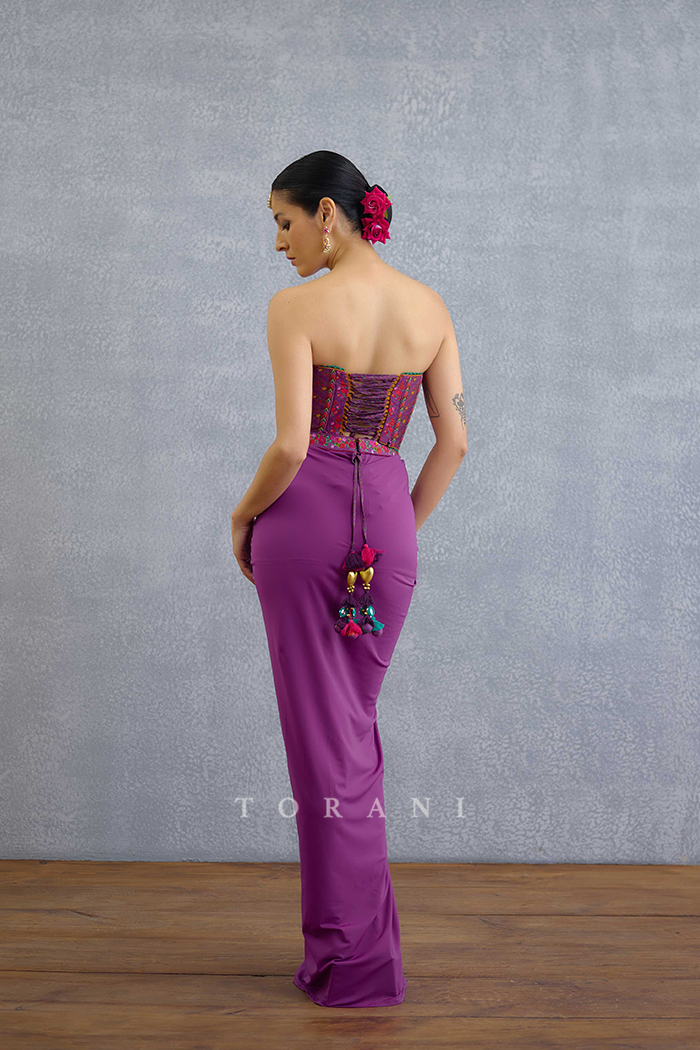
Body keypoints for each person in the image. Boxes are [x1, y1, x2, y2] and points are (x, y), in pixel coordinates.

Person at [230, 150, 467, 1008]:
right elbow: (455, 443)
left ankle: (352, 962)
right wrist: (397, 528)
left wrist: (240, 516)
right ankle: (359, 950)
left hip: (301, 528)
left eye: (284, 222)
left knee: (324, 747)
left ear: (327, 215)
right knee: (350, 736)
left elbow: (292, 445)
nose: (280, 242)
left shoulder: (295, 307)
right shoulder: (429, 308)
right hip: (387, 536)